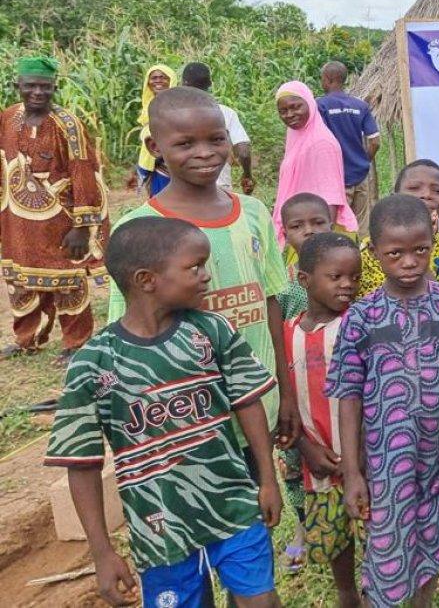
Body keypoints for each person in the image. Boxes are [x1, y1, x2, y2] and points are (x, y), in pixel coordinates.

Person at [46, 216, 282, 608]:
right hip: (160, 532)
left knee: (262, 601)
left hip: (234, 509)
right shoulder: (93, 363)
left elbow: (247, 401)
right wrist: (102, 552)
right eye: (195, 267)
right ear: (146, 280)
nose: (207, 276)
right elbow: (81, 462)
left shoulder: (211, 331)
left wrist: (268, 480)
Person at [107, 86, 299, 464]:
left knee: (260, 495)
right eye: (185, 143)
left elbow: (271, 304)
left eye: (216, 139)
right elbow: (127, 336)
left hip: (259, 406)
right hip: (186, 420)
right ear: (155, 146)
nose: (205, 153)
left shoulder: (254, 213)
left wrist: (285, 392)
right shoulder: (139, 230)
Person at [328, 195, 439, 608]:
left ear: (433, 240)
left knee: (431, 540)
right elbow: (348, 396)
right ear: (375, 252)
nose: (410, 262)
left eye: (420, 249)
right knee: (389, 544)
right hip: (387, 463)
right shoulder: (362, 317)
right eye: (395, 253)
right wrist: (352, 471)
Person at [0, 56, 109, 363]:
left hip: (59, 218)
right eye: (30, 86)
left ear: (54, 88)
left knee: (68, 280)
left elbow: (84, 172)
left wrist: (82, 226)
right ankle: (27, 339)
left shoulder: (68, 124)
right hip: (17, 219)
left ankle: (76, 343)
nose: (37, 92)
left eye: (45, 87)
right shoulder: (8, 118)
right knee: (19, 280)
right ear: (18, 86)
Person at [285, 232, 363, 608]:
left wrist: (360, 456)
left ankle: (380, 592)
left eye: (354, 277)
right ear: (304, 280)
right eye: (336, 277)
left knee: (374, 529)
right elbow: (282, 404)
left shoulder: (357, 327)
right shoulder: (286, 334)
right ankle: (347, 594)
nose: (347, 285)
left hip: (365, 460)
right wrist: (305, 448)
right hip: (318, 462)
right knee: (334, 535)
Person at [276, 191, 336, 573]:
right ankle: (303, 526)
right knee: (295, 463)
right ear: (285, 234)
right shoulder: (283, 288)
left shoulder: (346, 273)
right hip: (298, 389)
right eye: (298, 226)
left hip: (337, 390)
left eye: (318, 222)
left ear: (333, 223)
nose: (309, 231)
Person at [358, 159, 439, 298]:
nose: (426, 195)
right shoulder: (374, 247)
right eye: (414, 188)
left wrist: (426, 237)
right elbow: (372, 302)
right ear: (395, 197)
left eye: (437, 191)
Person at [275, 80, 356, 244]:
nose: (289, 114)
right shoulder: (296, 136)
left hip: (317, 235)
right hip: (304, 229)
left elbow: (331, 196)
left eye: (296, 107)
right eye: (283, 111)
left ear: (310, 104)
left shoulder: (321, 144)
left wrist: (324, 244)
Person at [317, 61, 381, 230]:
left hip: (335, 179)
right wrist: (363, 161)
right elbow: (375, 142)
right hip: (360, 176)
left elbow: (319, 142)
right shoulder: (361, 106)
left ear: (328, 79)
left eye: (322, 78)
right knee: (362, 228)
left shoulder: (320, 106)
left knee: (338, 227)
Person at [181, 61, 255, 196]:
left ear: (183, 85)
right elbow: (244, 152)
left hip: (185, 188)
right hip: (219, 187)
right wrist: (247, 174)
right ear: (210, 84)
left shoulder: (175, 116)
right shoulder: (226, 113)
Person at [131, 64, 176, 196]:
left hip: (169, 164)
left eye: (163, 77)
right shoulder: (149, 105)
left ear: (171, 80)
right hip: (155, 165)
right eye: (154, 78)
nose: (158, 81)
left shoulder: (176, 104)